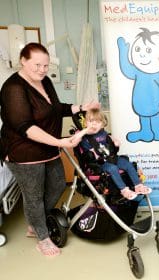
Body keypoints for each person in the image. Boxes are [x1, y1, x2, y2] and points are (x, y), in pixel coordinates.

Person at [0, 43, 100, 257]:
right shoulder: (13, 88)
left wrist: (80, 107)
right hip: (24, 151)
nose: (42, 70)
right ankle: (42, 237)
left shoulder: (44, 81)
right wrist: (61, 143)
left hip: (48, 147)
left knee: (56, 185)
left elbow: (56, 109)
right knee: (34, 195)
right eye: (37, 65)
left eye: (46, 65)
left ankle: (36, 222)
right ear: (23, 61)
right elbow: (26, 127)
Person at [79, 108, 151, 200]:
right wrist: (93, 153)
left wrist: (114, 141)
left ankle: (138, 186)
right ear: (86, 123)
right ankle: (124, 190)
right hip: (100, 164)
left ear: (102, 123)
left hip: (112, 158)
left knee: (127, 164)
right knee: (113, 168)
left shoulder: (103, 133)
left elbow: (109, 138)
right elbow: (88, 154)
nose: (94, 123)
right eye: (91, 121)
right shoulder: (85, 138)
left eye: (98, 121)